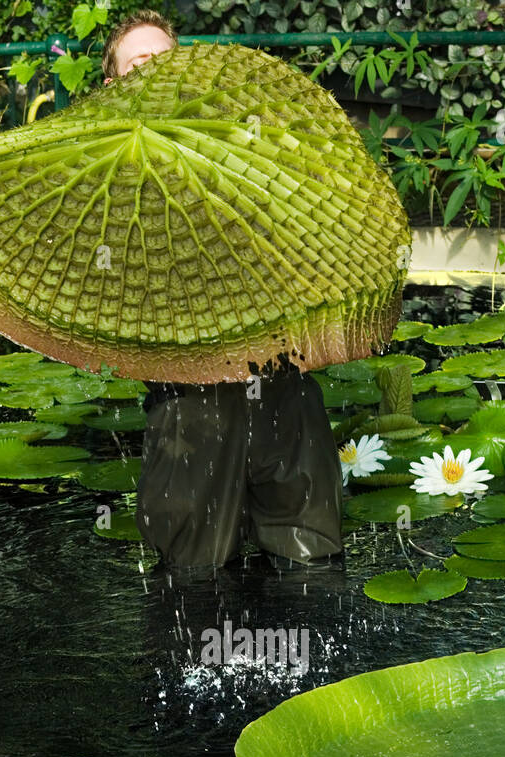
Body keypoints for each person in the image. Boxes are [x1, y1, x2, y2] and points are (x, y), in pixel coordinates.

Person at [101, 11, 345, 571]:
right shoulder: (104, 180)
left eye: (167, 61)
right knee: (195, 574)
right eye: (141, 64)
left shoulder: (245, 142)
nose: (157, 71)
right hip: (191, 395)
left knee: (311, 560)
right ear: (115, 85)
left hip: (280, 375)